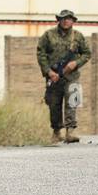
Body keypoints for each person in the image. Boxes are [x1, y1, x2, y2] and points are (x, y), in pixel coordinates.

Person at [36, 9, 90, 143]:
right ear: (59, 20)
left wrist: (75, 63)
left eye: (69, 18)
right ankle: (56, 132)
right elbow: (41, 54)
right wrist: (48, 72)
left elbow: (87, 53)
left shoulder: (78, 36)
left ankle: (70, 131)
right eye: (63, 18)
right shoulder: (48, 35)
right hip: (54, 76)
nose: (66, 21)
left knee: (72, 101)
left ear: (73, 21)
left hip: (72, 76)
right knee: (54, 104)